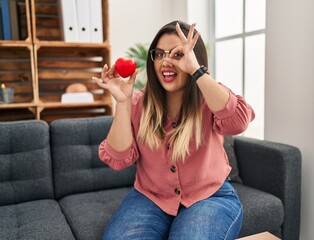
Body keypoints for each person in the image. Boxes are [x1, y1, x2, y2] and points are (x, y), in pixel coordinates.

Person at [94, 20, 255, 240]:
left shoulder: (209, 96)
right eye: (159, 54)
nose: (165, 62)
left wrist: (197, 72)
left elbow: (238, 122)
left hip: (209, 197)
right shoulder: (138, 103)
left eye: (177, 55)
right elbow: (118, 159)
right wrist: (123, 102)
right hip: (150, 198)